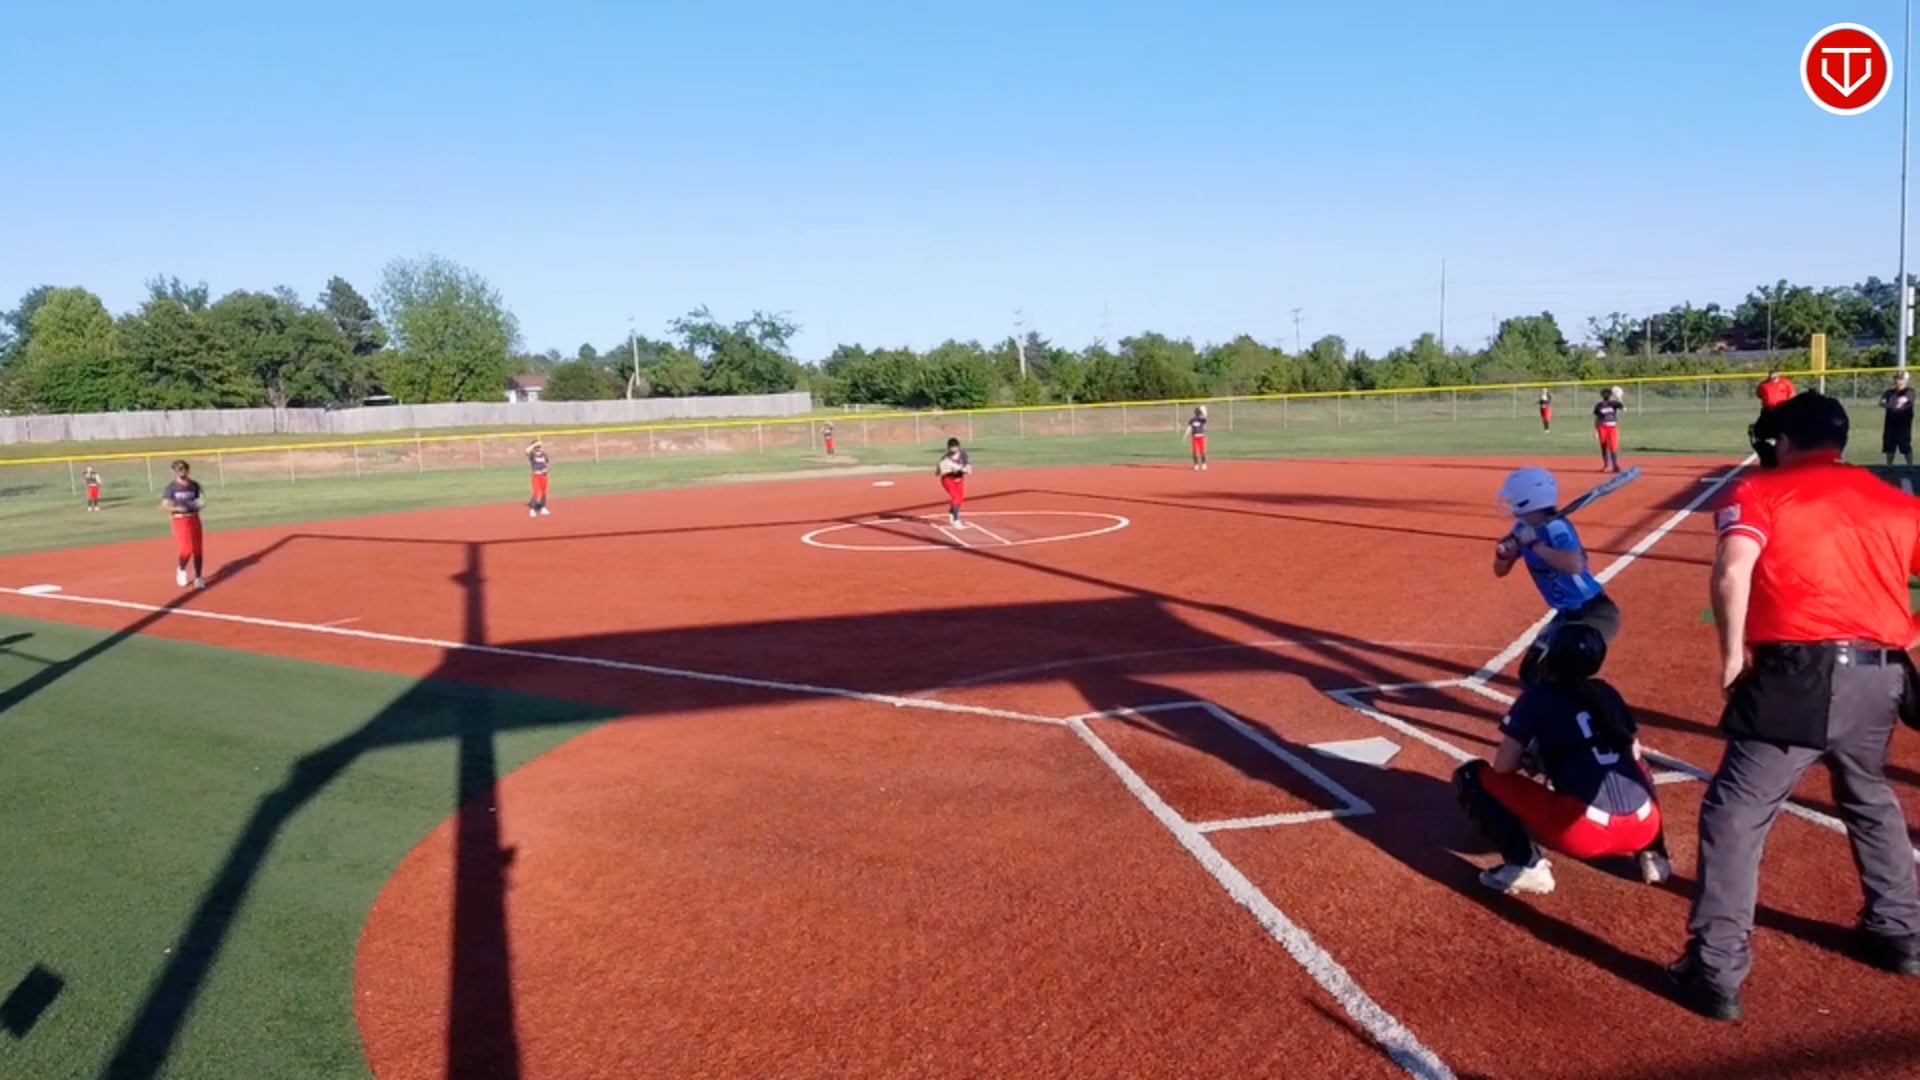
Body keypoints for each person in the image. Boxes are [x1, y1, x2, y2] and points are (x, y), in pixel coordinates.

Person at [1672, 391, 1920, 1023]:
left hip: (1798, 675)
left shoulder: (1762, 491)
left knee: (1736, 812)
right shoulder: (1896, 500)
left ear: (1784, 442)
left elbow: (1733, 571)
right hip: (1881, 676)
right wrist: (1906, 633)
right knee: (1868, 795)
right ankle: (1900, 931)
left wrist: (1732, 657)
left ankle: (1715, 967)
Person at [1454, 623, 1673, 895]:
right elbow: (1633, 751)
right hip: (1644, 826)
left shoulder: (1537, 698)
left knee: (1473, 776)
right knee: (1640, 768)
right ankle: (1654, 854)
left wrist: (1538, 757)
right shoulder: (1606, 692)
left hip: (1582, 831)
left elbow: (1503, 767)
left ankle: (1525, 864)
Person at [1494, 465, 1622, 687]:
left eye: (1513, 497)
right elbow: (1500, 571)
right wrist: (1504, 555)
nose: (1509, 502)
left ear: (1528, 499)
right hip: (1566, 614)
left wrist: (1534, 545)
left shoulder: (1556, 527)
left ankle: (1588, 706)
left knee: (1562, 675)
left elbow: (1574, 564)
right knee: (1532, 673)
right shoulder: (1522, 528)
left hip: (1593, 611)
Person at [160, 459, 206, 589]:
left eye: (183, 469)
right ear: (174, 471)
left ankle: (198, 577)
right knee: (187, 549)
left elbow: (201, 500)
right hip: (180, 520)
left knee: (198, 549)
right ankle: (181, 569)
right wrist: (177, 509)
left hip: (194, 518)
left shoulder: (194, 485)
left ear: (187, 470)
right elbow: (165, 505)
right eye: (178, 469)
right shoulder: (171, 488)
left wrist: (199, 505)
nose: (181, 471)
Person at [1881, 370, 1914, 474]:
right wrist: (1894, 405)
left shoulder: (1910, 391)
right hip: (1890, 424)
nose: (1898, 381)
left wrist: (1893, 404)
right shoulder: (1889, 392)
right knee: (1889, 446)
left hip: (1903, 425)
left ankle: (1910, 466)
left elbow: (1905, 400)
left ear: (1906, 380)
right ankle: (1889, 466)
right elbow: (1882, 403)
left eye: (1901, 379)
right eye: (1897, 379)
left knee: (1905, 446)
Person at [936, 437, 972, 527]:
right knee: (955, 497)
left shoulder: (963, 454)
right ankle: (956, 519)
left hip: (959, 479)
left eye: (955, 447)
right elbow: (939, 471)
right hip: (948, 479)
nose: (954, 449)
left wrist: (965, 469)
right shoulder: (946, 458)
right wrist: (949, 469)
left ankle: (952, 512)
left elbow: (968, 466)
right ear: (948, 448)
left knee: (960, 499)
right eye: (952, 447)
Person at [1592, 387, 1624, 473]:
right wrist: (1596, 430)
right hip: (1602, 427)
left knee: (1613, 446)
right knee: (1604, 446)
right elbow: (1597, 419)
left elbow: (1623, 408)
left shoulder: (1614, 403)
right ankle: (1606, 465)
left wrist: (1619, 397)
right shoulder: (1599, 405)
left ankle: (1615, 465)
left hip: (1612, 427)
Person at [526, 440, 550, 517]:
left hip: (544, 475)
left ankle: (543, 507)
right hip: (536, 476)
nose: (539, 447)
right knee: (536, 492)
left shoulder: (544, 454)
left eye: (539, 446)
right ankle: (532, 509)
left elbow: (548, 464)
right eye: (537, 446)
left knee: (544, 492)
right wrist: (534, 444)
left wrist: (546, 469)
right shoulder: (532, 454)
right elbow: (526, 451)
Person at [1187, 406, 1209, 471]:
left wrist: (1205, 414)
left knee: (1202, 451)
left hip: (1201, 437)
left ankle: (1203, 464)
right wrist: (1186, 435)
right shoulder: (1192, 420)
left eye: (1198, 412)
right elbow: (1189, 427)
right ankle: (1196, 464)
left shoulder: (1201, 419)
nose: (1197, 413)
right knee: (1195, 451)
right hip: (1194, 437)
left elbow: (1206, 420)